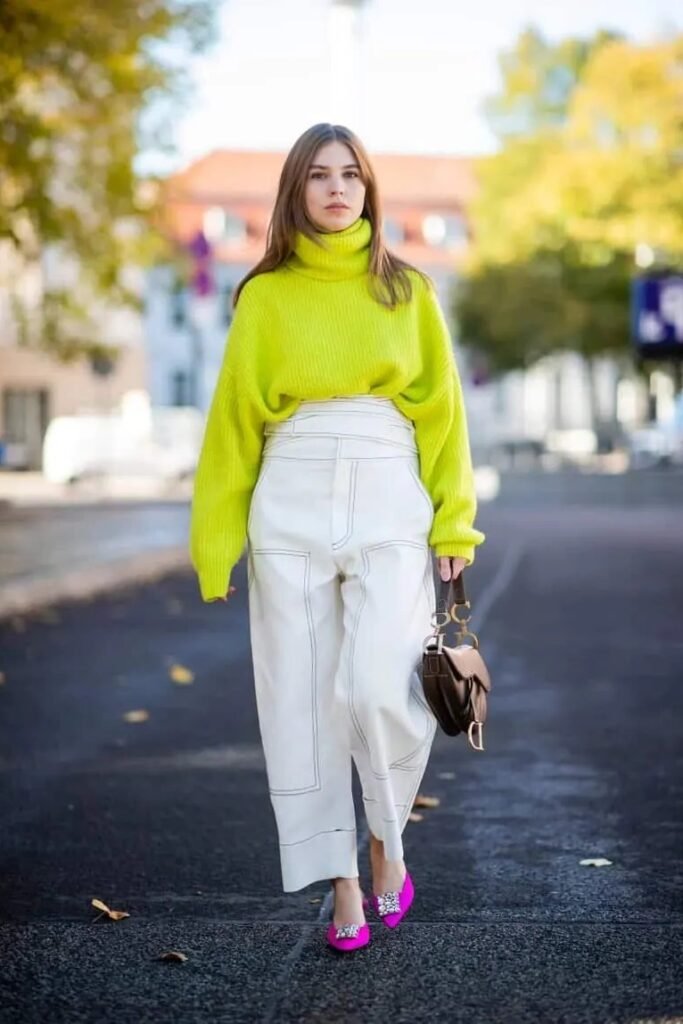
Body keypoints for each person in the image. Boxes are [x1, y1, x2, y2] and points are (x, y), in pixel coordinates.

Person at [189, 122, 486, 953]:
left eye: (350, 175)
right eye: (319, 175)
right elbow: (233, 423)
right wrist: (215, 539)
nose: (336, 188)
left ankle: (388, 838)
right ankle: (341, 881)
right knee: (300, 702)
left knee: (376, 687)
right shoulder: (264, 296)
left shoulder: (407, 290)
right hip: (287, 494)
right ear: (296, 190)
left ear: (368, 190)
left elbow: (444, 413)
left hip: (389, 490)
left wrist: (453, 518)